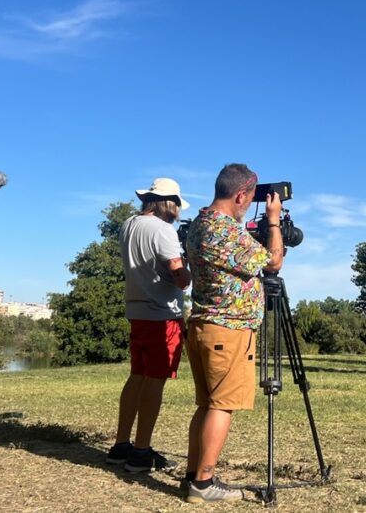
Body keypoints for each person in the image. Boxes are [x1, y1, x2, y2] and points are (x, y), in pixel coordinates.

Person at [182, 164, 284, 503]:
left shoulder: (199, 224)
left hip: (203, 325)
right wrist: (273, 220)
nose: (248, 207)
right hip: (229, 329)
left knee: (207, 404)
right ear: (240, 195)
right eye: (249, 200)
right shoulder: (224, 230)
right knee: (221, 406)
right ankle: (204, 483)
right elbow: (273, 261)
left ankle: (194, 474)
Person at [105, 178, 193, 474]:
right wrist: (189, 269)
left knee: (137, 376)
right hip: (162, 314)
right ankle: (141, 451)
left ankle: (121, 444)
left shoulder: (129, 224)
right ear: (170, 203)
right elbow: (180, 277)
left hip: (137, 309)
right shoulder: (164, 231)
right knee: (155, 380)